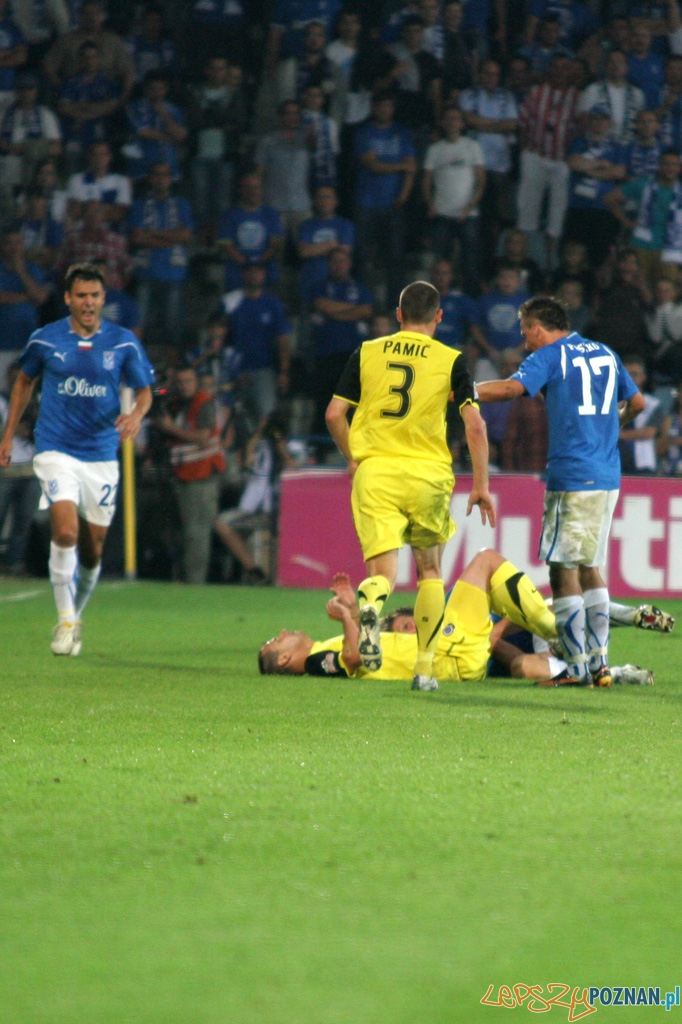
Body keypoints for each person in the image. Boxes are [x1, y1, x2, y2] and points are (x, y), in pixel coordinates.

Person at [325, 279, 495, 692]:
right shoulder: (452, 360)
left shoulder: (367, 352)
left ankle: (369, 606)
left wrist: (352, 458)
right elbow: (474, 425)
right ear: (439, 316)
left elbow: (333, 415)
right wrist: (481, 484)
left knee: (382, 572)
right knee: (430, 570)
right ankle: (423, 670)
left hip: (376, 472)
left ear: (398, 316)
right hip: (428, 475)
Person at [476, 295, 646, 687]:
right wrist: (609, 428)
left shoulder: (552, 355)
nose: (524, 343)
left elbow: (509, 389)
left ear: (538, 328)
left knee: (562, 570)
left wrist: (462, 392)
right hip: (607, 476)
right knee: (589, 567)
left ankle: (577, 667)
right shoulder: (605, 353)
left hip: (573, 476)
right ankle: (599, 665)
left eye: (525, 334)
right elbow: (635, 402)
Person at [0, 262, 153, 655]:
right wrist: (7, 435)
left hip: (101, 455)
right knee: (65, 532)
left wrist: (135, 414)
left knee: (92, 550)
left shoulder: (122, 342)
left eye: (95, 295)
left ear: (104, 299)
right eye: (81, 295)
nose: (88, 302)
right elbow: (23, 380)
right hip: (55, 448)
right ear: (68, 298)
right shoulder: (46, 340)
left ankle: (76, 615)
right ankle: (65, 622)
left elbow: (145, 390)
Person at [258, 548, 556, 682]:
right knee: (487, 562)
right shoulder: (314, 662)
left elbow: (359, 649)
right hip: (447, 654)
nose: (283, 633)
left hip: (447, 654)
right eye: (276, 641)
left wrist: (350, 608)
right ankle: (554, 628)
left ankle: (560, 642)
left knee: (487, 568)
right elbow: (354, 657)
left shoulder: (323, 650)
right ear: (284, 660)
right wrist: (349, 617)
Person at [155, 364, 225, 585]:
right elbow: (156, 396)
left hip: (201, 475)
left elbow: (203, 437)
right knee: (183, 532)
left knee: (197, 533)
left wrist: (169, 428)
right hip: (182, 474)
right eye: (180, 382)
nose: (184, 386)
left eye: (188, 381)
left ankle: (195, 583)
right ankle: (182, 579)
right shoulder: (176, 403)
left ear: (196, 382)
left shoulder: (203, 403)